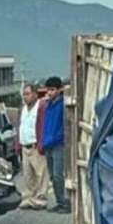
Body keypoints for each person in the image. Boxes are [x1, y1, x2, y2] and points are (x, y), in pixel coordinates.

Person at [15, 84, 49, 210]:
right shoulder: (22, 109)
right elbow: (19, 126)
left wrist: (42, 143)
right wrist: (17, 144)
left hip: (36, 145)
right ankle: (29, 198)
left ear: (35, 94)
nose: (25, 97)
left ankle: (40, 199)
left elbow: (43, 125)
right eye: (24, 94)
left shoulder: (41, 106)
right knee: (28, 175)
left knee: (41, 174)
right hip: (25, 145)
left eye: (28, 94)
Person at [42, 77, 69, 213]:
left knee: (59, 174)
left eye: (52, 89)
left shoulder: (63, 105)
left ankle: (65, 202)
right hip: (48, 144)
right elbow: (46, 125)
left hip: (59, 144)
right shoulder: (48, 106)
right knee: (52, 175)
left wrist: (57, 138)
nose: (50, 92)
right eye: (48, 90)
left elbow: (64, 125)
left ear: (59, 90)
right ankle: (60, 202)